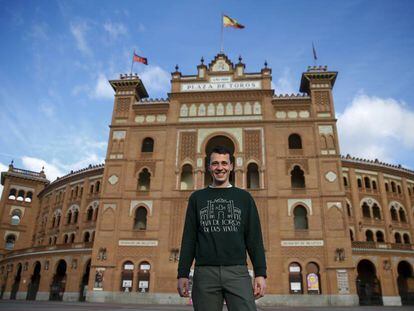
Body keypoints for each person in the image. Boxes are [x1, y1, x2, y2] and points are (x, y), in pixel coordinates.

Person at [177, 145, 267, 311]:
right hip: (205, 273)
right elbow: (189, 238)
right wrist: (182, 273)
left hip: (237, 272)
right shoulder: (197, 198)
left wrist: (260, 273)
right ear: (209, 167)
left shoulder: (244, 198)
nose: (220, 168)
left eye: (224, 163)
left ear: (231, 166)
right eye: (215, 163)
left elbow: (254, 238)